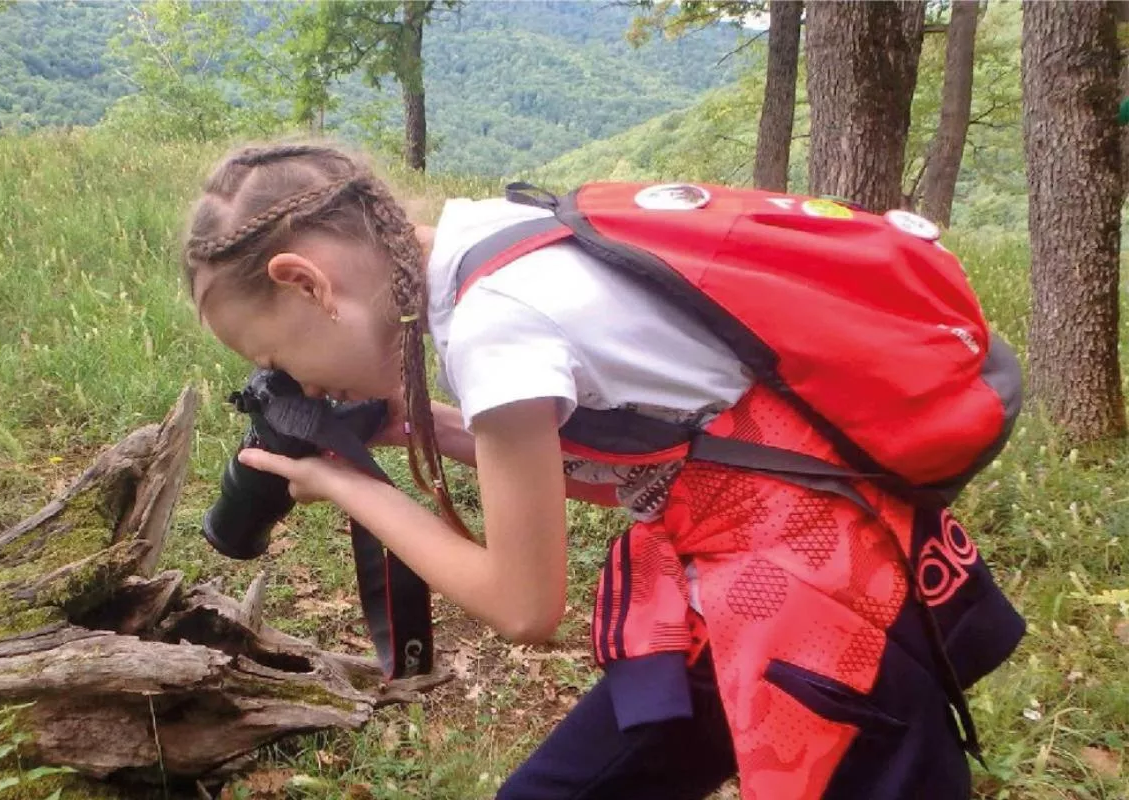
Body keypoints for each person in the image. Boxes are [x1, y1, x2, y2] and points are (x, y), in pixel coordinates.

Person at [180, 141, 1023, 799]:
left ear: (307, 283)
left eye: (277, 355)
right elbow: (651, 433)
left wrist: (346, 486)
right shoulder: (489, 238)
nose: (301, 386)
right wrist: (426, 428)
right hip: (743, 565)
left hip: (822, 603)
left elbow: (522, 605)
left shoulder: (491, 329)